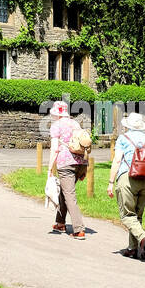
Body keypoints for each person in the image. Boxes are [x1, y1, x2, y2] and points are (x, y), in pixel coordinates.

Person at [107, 111, 145, 260]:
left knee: (127, 215)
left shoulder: (123, 139)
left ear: (128, 126)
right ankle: (133, 248)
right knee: (138, 215)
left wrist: (111, 182)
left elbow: (117, 161)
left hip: (128, 178)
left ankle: (143, 238)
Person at [48, 100, 87, 239]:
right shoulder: (75, 123)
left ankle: (78, 229)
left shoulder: (56, 126)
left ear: (56, 114)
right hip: (80, 162)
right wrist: (84, 168)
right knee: (65, 193)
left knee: (69, 194)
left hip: (65, 163)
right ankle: (60, 222)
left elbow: (55, 148)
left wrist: (49, 167)